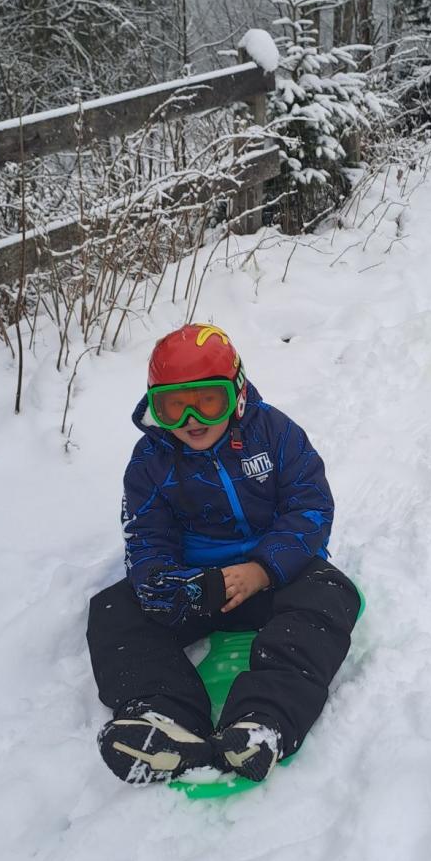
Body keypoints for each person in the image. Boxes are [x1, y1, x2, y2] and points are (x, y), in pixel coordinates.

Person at [86, 323, 360, 786]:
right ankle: (162, 716)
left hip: (273, 578)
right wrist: (180, 586)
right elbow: (146, 541)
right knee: (115, 610)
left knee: (329, 592)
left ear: (236, 393)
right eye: (174, 406)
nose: (192, 418)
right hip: (200, 586)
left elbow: (310, 506)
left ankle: (262, 720)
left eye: (208, 401)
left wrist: (263, 569)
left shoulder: (274, 434)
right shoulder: (150, 462)